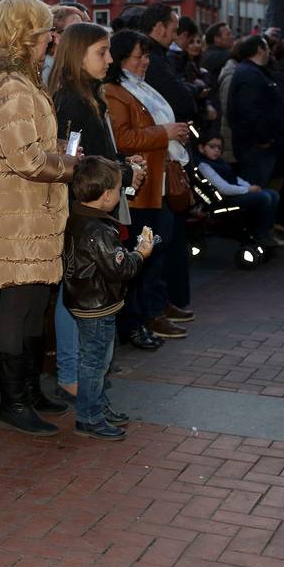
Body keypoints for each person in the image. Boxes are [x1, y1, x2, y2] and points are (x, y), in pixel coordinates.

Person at [0, 0, 76, 436]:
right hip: (21, 205)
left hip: (36, 204)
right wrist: (74, 166)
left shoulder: (23, 79)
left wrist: (62, 158)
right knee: (18, 301)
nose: (51, 38)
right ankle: (13, 402)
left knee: (37, 298)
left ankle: (29, 389)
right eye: (46, 30)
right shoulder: (10, 86)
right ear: (26, 34)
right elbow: (27, 160)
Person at [49, 21, 147, 395]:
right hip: (82, 212)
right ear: (78, 55)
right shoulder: (73, 99)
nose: (109, 59)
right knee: (76, 292)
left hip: (93, 209)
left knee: (84, 289)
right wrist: (124, 170)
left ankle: (81, 372)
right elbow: (76, 163)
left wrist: (122, 162)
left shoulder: (88, 93)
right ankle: (73, 374)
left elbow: (94, 153)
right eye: (101, 52)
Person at [103, 30, 191, 344]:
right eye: (139, 56)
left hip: (158, 180)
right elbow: (123, 138)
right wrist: (164, 132)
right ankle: (140, 320)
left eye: (147, 56)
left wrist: (173, 133)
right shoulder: (115, 91)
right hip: (141, 185)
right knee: (143, 254)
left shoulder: (138, 87)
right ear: (122, 56)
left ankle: (150, 313)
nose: (145, 62)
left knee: (156, 250)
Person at [62, 155, 151, 440]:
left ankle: (97, 406)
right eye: (116, 189)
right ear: (104, 196)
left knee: (97, 358)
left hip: (86, 300)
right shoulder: (99, 229)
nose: (119, 194)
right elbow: (119, 269)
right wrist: (141, 253)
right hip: (97, 304)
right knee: (96, 361)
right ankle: (89, 417)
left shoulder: (77, 217)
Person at [196, 134, 284, 247]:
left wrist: (251, 187)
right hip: (225, 198)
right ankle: (259, 233)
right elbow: (223, 188)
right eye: (212, 147)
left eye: (219, 148)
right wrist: (248, 189)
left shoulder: (220, 162)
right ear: (201, 148)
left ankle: (263, 231)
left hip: (235, 192)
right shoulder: (204, 165)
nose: (216, 150)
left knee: (273, 194)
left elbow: (234, 178)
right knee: (264, 198)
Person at [228, 36, 284, 187]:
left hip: (257, 146)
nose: (269, 53)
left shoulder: (254, 72)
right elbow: (249, 111)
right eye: (267, 49)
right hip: (256, 149)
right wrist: (264, 139)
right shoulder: (250, 74)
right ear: (259, 50)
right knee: (256, 191)